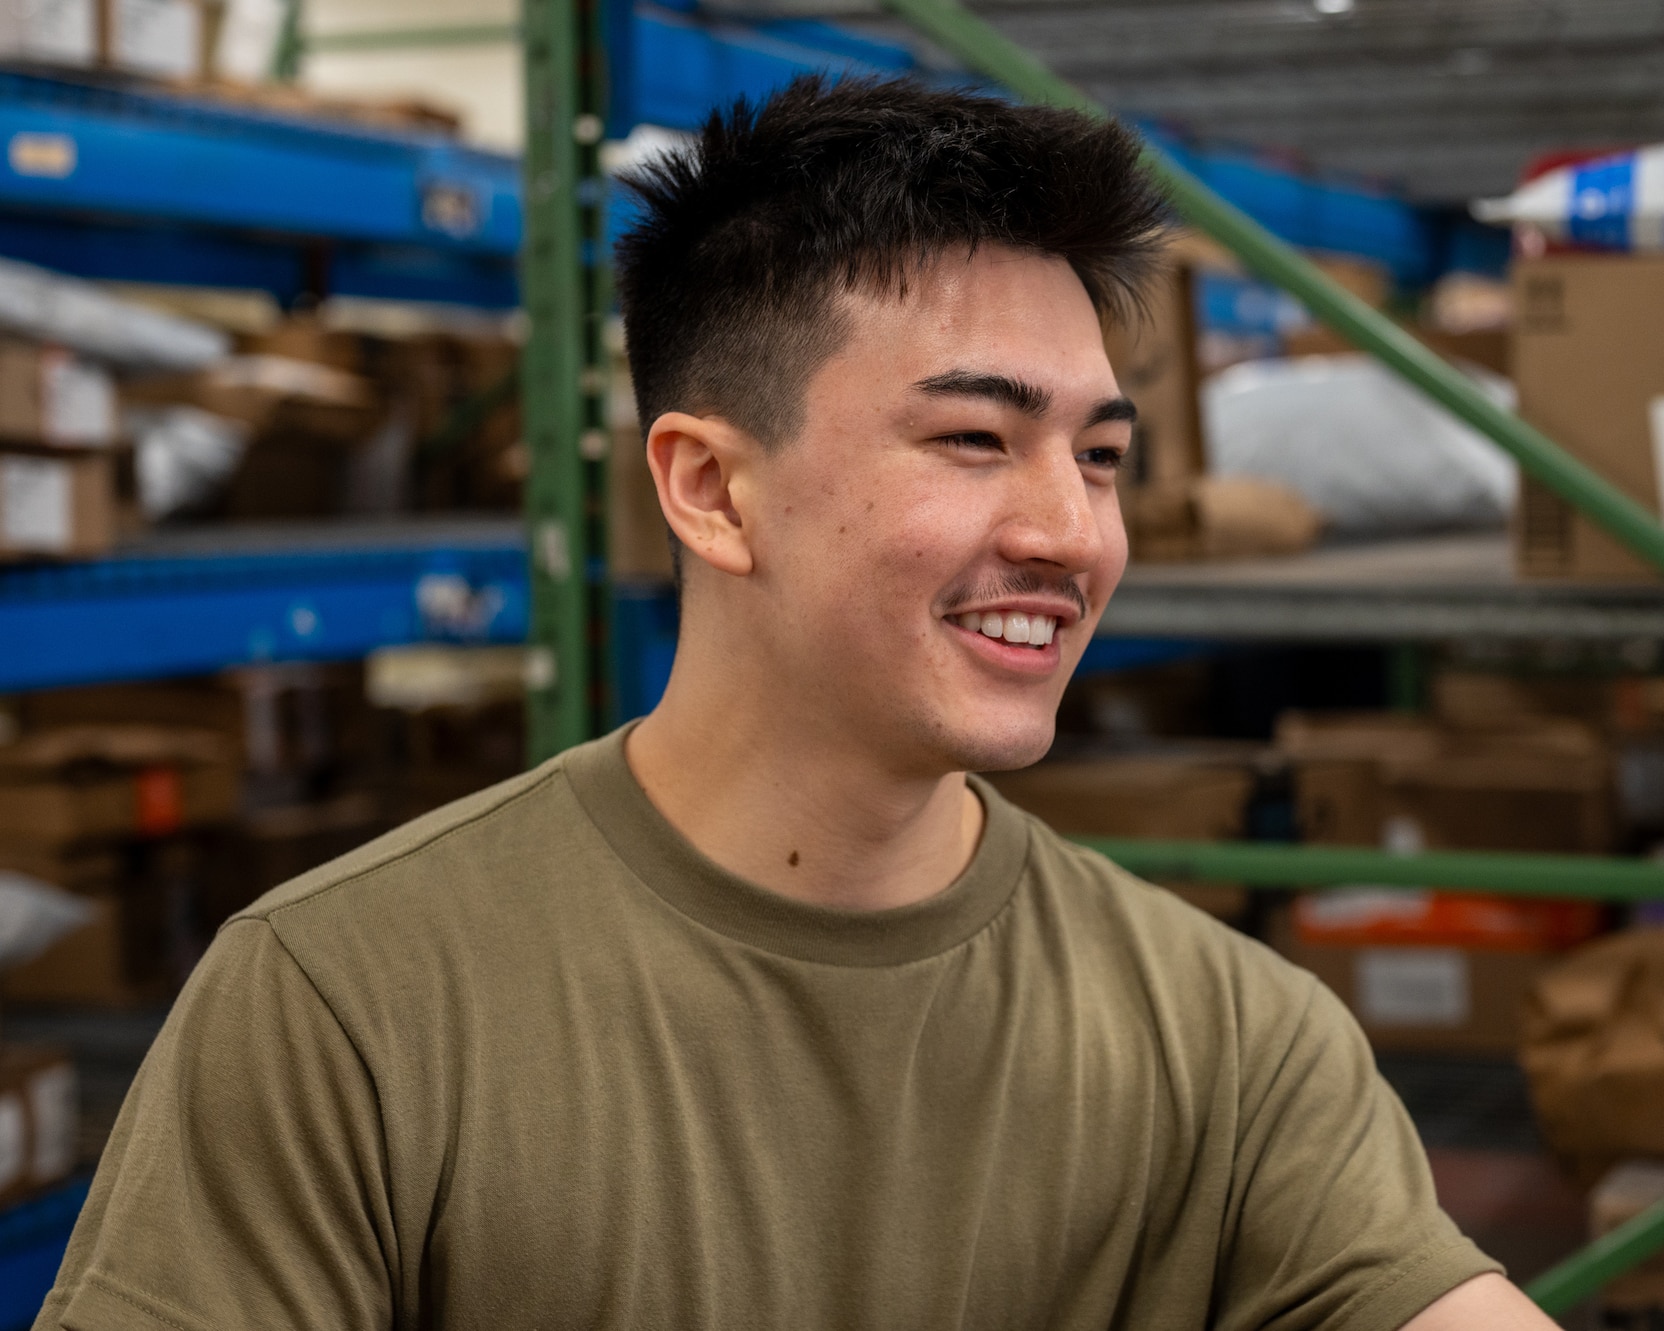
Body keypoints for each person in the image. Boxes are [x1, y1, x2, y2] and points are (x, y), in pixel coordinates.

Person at [36, 76, 1559, 1331]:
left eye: (1099, 456)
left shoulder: (1230, 1039)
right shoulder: (345, 1009)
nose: (1073, 532)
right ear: (710, 488)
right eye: (975, 437)